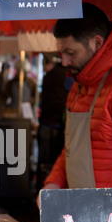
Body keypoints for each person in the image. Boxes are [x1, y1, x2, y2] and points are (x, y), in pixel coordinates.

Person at [37, 2, 112, 206]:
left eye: (70, 53)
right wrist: (54, 184)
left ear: (97, 43)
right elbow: (72, 147)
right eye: (61, 54)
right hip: (81, 210)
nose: (64, 62)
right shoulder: (78, 87)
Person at [36, 53, 71, 191]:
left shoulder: (49, 76)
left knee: (44, 165)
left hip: (46, 125)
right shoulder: (68, 77)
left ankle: (41, 196)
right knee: (56, 165)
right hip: (58, 128)